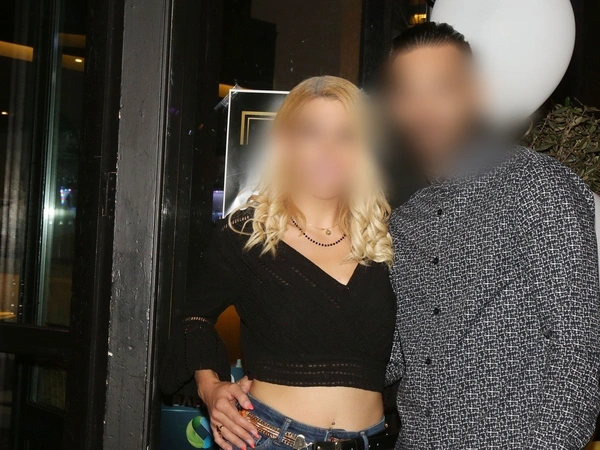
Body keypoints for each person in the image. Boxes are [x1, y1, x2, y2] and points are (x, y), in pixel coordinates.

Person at [385, 22, 600, 449]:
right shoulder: (402, 224)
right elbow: (386, 358)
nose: (424, 109)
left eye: (441, 88)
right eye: (408, 93)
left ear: (475, 96)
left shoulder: (538, 188)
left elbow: (577, 355)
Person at [161, 76, 397, 450]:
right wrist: (211, 388)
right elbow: (194, 318)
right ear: (286, 144)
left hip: (375, 441)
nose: (328, 151)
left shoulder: (387, 239)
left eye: (345, 135)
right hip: (272, 439)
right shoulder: (247, 233)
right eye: (311, 133)